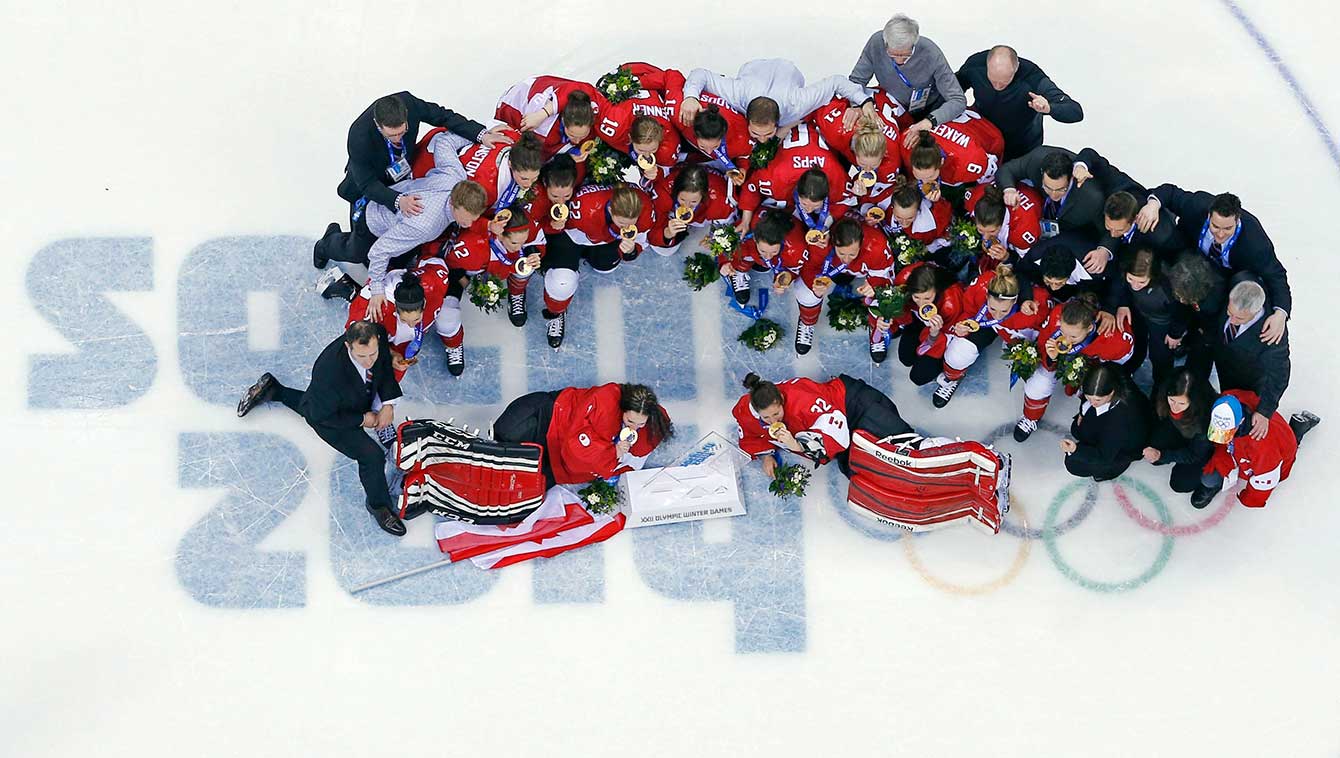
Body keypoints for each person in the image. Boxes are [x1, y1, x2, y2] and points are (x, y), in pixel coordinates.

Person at [236, 321, 407, 537]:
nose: (368, 361)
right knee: (371, 456)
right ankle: (379, 505)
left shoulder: (376, 337)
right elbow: (321, 415)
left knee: (311, 404)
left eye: (372, 354)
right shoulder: (329, 373)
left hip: (348, 399)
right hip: (332, 420)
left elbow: (382, 366)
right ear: (348, 346)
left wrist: (388, 404)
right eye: (362, 356)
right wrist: (362, 419)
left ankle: (274, 390)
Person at [1137, 187, 1291, 344]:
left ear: (1237, 220)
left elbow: (1275, 274)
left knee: (1209, 311)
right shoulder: (1197, 205)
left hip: (1221, 279)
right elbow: (1171, 193)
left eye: (1228, 228)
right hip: (1188, 258)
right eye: (1215, 226)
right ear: (1208, 215)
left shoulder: (1255, 243)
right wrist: (1153, 205)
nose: (1221, 234)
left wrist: (1281, 313)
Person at [338, 93, 509, 221]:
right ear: (378, 125)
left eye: (402, 132)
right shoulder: (359, 135)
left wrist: (481, 134)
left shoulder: (410, 104)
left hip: (401, 174)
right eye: (391, 136)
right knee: (359, 240)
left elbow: (444, 116)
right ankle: (329, 242)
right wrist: (397, 200)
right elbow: (367, 183)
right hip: (370, 182)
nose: (398, 139)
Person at [732, 373, 913, 477]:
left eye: (776, 414)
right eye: (766, 417)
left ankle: (920, 448)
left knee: (893, 434)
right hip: (836, 432)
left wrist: (796, 445)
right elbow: (750, 435)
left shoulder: (803, 399)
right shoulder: (746, 410)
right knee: (858, 470)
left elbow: (836, 432)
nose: (773, 421)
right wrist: (766, 455)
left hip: (850, 403)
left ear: (781, 400)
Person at [493, 383, 673, 488]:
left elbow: (637, 453)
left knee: (516, 485)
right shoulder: (605, 402)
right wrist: (613, 453)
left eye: (640, 424)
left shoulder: (654, 422)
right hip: (550, 415)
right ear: (623, 408)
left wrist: (615, 453)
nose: (634, 427)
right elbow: (576, 446)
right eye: (630, 421)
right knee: (504, 433)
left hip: (558, 464)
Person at [540, 183, 654, 348]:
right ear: (611, 210)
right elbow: (550, 226)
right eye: (622, 223)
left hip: (604, 239)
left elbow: (641, 240)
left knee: (606, 267)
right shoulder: (584, 208)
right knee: (562, 282)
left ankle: (594, 255)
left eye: (631, 224)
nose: (627, 228)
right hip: (571, 237)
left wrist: (630, 251)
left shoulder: (645, 208)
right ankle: (556, 313)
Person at [1016, 294, 1135, 442]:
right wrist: (1052, 358)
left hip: (1093, 366)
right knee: (1038, 385)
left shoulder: (1115, 339)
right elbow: (1043, 343)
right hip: (1064, 360)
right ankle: (1031, 417)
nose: (1066, 341)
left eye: (1073, 337)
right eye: (1063, 332)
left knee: (1095, 393)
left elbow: (1114, 370)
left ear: (1090, 328)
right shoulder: (1058, 314)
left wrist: (1088, 381)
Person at [934, 263, 1050, 408]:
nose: (997, 315)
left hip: (1016, 333)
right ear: (987, 296)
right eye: (993, 308)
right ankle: (951, 379)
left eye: (1004, 311)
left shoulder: (1036, 305)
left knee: (1037, 383)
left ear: (1016, 300)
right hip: (987, 324)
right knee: (958, 354)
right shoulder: (980, 286)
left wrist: (1031, 352)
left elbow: (1046, 334)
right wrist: (962, 326)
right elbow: (969, 312)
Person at [679, 58, 876, 141]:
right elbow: (700, 74)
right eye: (755, 134)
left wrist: (864, 101)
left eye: (768, 133)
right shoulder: (738, 92)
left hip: (788, 70)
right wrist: (690, 97)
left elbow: (836, 82)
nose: (762, 140)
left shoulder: (797, 103)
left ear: (777, 121)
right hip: (753, 69)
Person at [848, 14, 966, 147]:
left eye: (905, 56)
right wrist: (860, 104)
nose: (899, 60)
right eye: (893, 55)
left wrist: (930, 121)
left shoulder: (930, 52)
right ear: (885, 43)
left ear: (914, 43)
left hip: (931, 110)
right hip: (895, 108)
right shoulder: (876, 43)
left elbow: (958, 100)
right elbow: (856, 81)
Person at [1194, 390, 1320, 508]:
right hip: (1239, 449)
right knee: (1209, 477)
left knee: (1211, 478)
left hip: (1273, 453)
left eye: (1227, 432)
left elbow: (1265, 480)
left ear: (1241, 421)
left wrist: (1249, 499)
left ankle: (1296, 432)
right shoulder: (1228, 401)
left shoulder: (1262, 445)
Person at [955, 46, 1084, 160]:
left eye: (1004, 82)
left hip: (1019, 147)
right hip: (981, 136)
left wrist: (1049, 108)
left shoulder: (1032, 77)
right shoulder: (975, 65)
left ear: (1016, 68)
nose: (997, 86)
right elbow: (953, 89)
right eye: (993, 81)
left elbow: (1075, 111)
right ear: (987, 65)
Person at [792, 217, 895, 357]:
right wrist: (814, 284)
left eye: (852, 254)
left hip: (863, 270)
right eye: (841, 253)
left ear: (862, 243)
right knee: (805, 293)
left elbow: (887, 278)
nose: (846, 259)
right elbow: (809, 268)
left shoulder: (877, 245)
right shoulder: (822, 242)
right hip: (836, 270)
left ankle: (877, 332)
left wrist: (875, 285)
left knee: (883, 298)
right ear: (833, 242)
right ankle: (807, 322)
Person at [995, 145, 1108, 272]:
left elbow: (1110, 229)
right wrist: (1009, 189)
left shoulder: (1092, 198)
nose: (1054, 195)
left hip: (1075, 232)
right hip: (1043, 218)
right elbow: (1006, 170)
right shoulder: (1035, 160)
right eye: (1048, 187)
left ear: (1071, 178)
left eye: (1061, 189)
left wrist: (1104, 250)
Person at [1211, 280, 1291, 439]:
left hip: (1249, 380)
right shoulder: (1238, 286)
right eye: (1229, 313)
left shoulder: (1272, 334)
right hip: (1224, 366)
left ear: (1256, 311)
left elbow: (1279, 375)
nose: (1232, 320)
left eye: (1239, 318)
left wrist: (1264, 412)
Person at [344, 264, 453, 382]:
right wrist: (390, 354)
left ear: (424, 304)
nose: (411, 325)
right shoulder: (374, 313)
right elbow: (357, 343)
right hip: (379, 322)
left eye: (416, 319)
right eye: (405, 320)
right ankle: (349, 289)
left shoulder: (435, 283)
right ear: (396, 308)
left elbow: (437, 263)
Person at [1107, 246, 1186, 387]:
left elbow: (1181, 312)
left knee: (1160, 356)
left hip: (1162, 322)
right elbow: (1122, 286)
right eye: (1131, 279)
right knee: (1136, 346)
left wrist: (1175, 333)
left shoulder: (1169, 286)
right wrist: (1123, 304)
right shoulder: (1126, 272)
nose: (1135, 285)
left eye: (1141, 282)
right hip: (1139, 313)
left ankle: (1161, 386)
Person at [1058, 362, 1150, 481]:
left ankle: (1113, 469)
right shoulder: (1109, 374)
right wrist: (1082, 412)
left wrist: (1075, 450)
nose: (1092, 403)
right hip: (1111, 425)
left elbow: (1104, 456)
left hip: (1123, 448)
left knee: (1073, 464)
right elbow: (1088, 399)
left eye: (1097, 400)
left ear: (1111, 392)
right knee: (1076, 430)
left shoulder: (1120, 420)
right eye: (1089, 398)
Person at [1142, 368, 1218, 495]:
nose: (1175, 407)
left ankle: (1215, 484)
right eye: (1172, 400)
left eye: (1182, 403)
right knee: (1155, 447)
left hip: (1200, 447)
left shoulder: (1204, 421)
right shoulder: (1164, 396)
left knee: (1180, 483)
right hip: (1180, 430)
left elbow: (1194, 454)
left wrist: (1163, 455)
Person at [888, 263, 964, 384]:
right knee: (906, 359)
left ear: (937, 291)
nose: (922, 304)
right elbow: (893, 306)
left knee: (918, 377)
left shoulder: (950, 303)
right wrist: (889, 317)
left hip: (941, 332)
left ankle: (951, 375)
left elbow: (952, 337)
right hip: (916, 320)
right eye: (916, 297)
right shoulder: (903, 282)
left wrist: (934, 334)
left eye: (927, 298)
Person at [718, 208, 810, 306]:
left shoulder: (796, 250)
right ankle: (741, 269)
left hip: (789, 247)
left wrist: (783, 279)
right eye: (763, 251)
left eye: (774, 252)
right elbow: (727, 241)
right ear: (754, 238)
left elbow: (794, 270)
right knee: (743, 248)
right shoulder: (748, 227)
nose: (768, 257)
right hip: (752, 242)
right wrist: (725, 262)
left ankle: (761, 260)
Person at [647, 165, 735, 256]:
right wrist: (667, 233)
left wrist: (716, 237)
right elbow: (652, 233)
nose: (687, 206)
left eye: (693, 201)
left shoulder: (718, 200)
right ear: (675, 191)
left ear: (704, 195)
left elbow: (729, 226)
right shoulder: (663, 189)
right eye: (682, 199)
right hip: (673, 210)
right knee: (664, 250)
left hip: (708, 212)